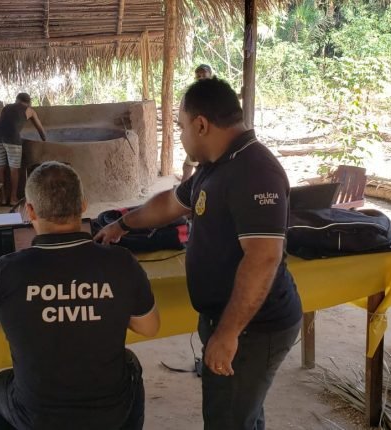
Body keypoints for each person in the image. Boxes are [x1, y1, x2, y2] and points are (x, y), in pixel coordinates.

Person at [95, 78, 302, 430]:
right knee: (240, 413)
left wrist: (228, 333)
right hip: (231, 322)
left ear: (201, 124)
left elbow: (263, 257)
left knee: (228, 420)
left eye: (181, 126)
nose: (181, 136)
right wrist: (123, 225)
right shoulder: (216, 164)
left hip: (254, 328)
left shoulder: (255, 171)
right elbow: (169, 204)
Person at [0, 161, 160, 430]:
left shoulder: (5, 272)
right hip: (109, 415)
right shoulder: (122, 262)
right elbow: (149, 327)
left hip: (37, 419)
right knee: (130, 365)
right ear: (83, 205)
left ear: (30, 211)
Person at [0, 93, 47, 207]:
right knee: (14, 168)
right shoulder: (30, 110)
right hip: (12, 138)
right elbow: (40, 129)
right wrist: (45, 140)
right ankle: (13, 198)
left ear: (17, 100)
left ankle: (2, 197)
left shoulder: (6, 107)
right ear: (28, 102)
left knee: (0, 167)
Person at [181, 64, 214, 183]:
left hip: (209, 134)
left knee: (194, 165)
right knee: (190, 165)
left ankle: (185, 193)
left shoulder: (215, 94)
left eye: (204, 75)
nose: (201, 78)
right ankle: (184, 193)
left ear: (210, 76)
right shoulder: (191, 94)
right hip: (196, 134)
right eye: (198, 76)